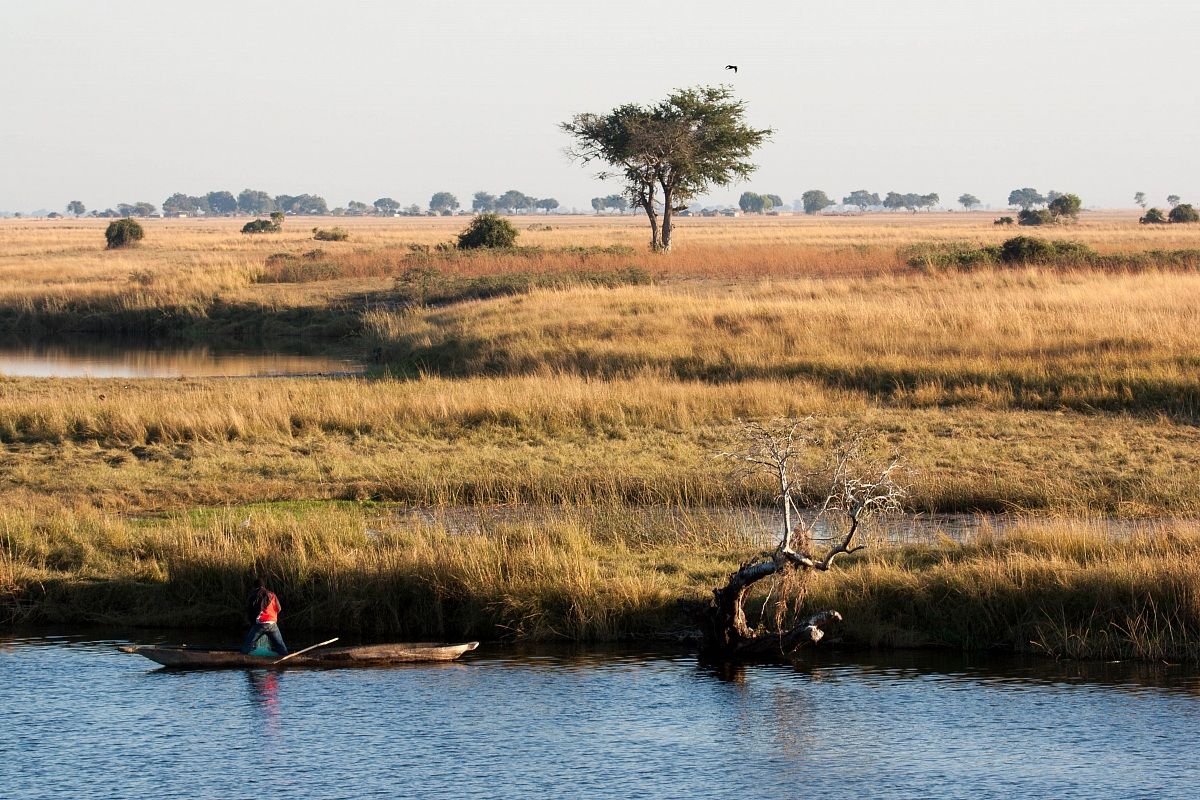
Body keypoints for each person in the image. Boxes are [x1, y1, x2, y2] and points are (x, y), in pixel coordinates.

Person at [241, 577, 288, 656]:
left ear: (255, 586)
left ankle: (241, 659)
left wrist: (252, 621)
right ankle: (286, 658)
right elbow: (279, 609)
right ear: (264, 586)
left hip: (260, 624)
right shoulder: (272, 594)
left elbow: (249, 610)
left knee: (247, 644)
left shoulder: (254, 595)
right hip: (272, 623)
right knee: (280, 645)